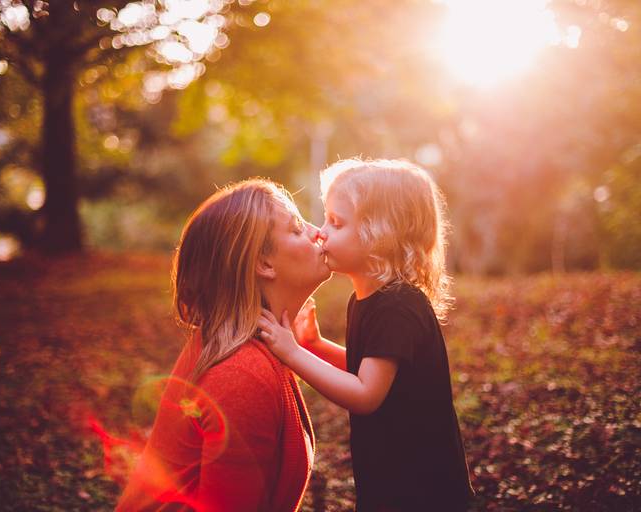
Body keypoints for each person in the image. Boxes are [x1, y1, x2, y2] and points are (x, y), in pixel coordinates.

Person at [257, 158, 474, 511]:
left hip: (424, 484)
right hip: (391, 470)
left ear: (380, 236)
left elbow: (365, 394)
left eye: (336, 223)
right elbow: (368, 371)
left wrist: (294, 353)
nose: (321, 231)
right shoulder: (365, 299)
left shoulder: (397, 305)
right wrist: (316, 345)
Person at [116, 179, 331, 512]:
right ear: (264, 264)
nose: (319, 232)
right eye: (297, 227)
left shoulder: (259, 346)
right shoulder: (242, 376)